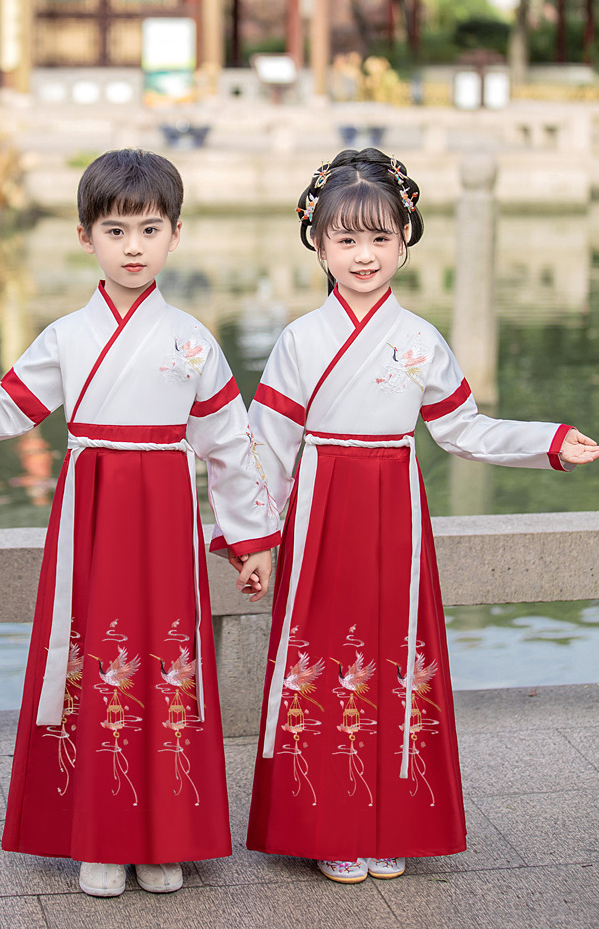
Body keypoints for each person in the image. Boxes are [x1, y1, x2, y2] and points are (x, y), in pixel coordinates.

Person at [0, 149, 280, 898]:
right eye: (116, 231)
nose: (135, 247)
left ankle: (163, 837)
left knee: (164, 661)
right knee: (90, 659)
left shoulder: (193, 341)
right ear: (85, 238)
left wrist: (250, 542)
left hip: (166, 516)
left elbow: (230, 450)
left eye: (150, 229)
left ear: (177, 234)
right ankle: (101, 839)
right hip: (92, 514)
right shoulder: (64, 337)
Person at [244, 148, 599, 885]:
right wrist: (254, 538)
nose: (364, 254)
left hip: (394, 511)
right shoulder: (300, 340)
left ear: (406, 240)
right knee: (327, 653)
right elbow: (267, 448)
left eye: (380, 237)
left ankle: (390, 820)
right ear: (317, 242)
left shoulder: (420, 340)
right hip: (322, 514)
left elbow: (465, 430)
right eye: (346, 238)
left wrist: (550, 443)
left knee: (394, 652)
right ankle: (327, 822)